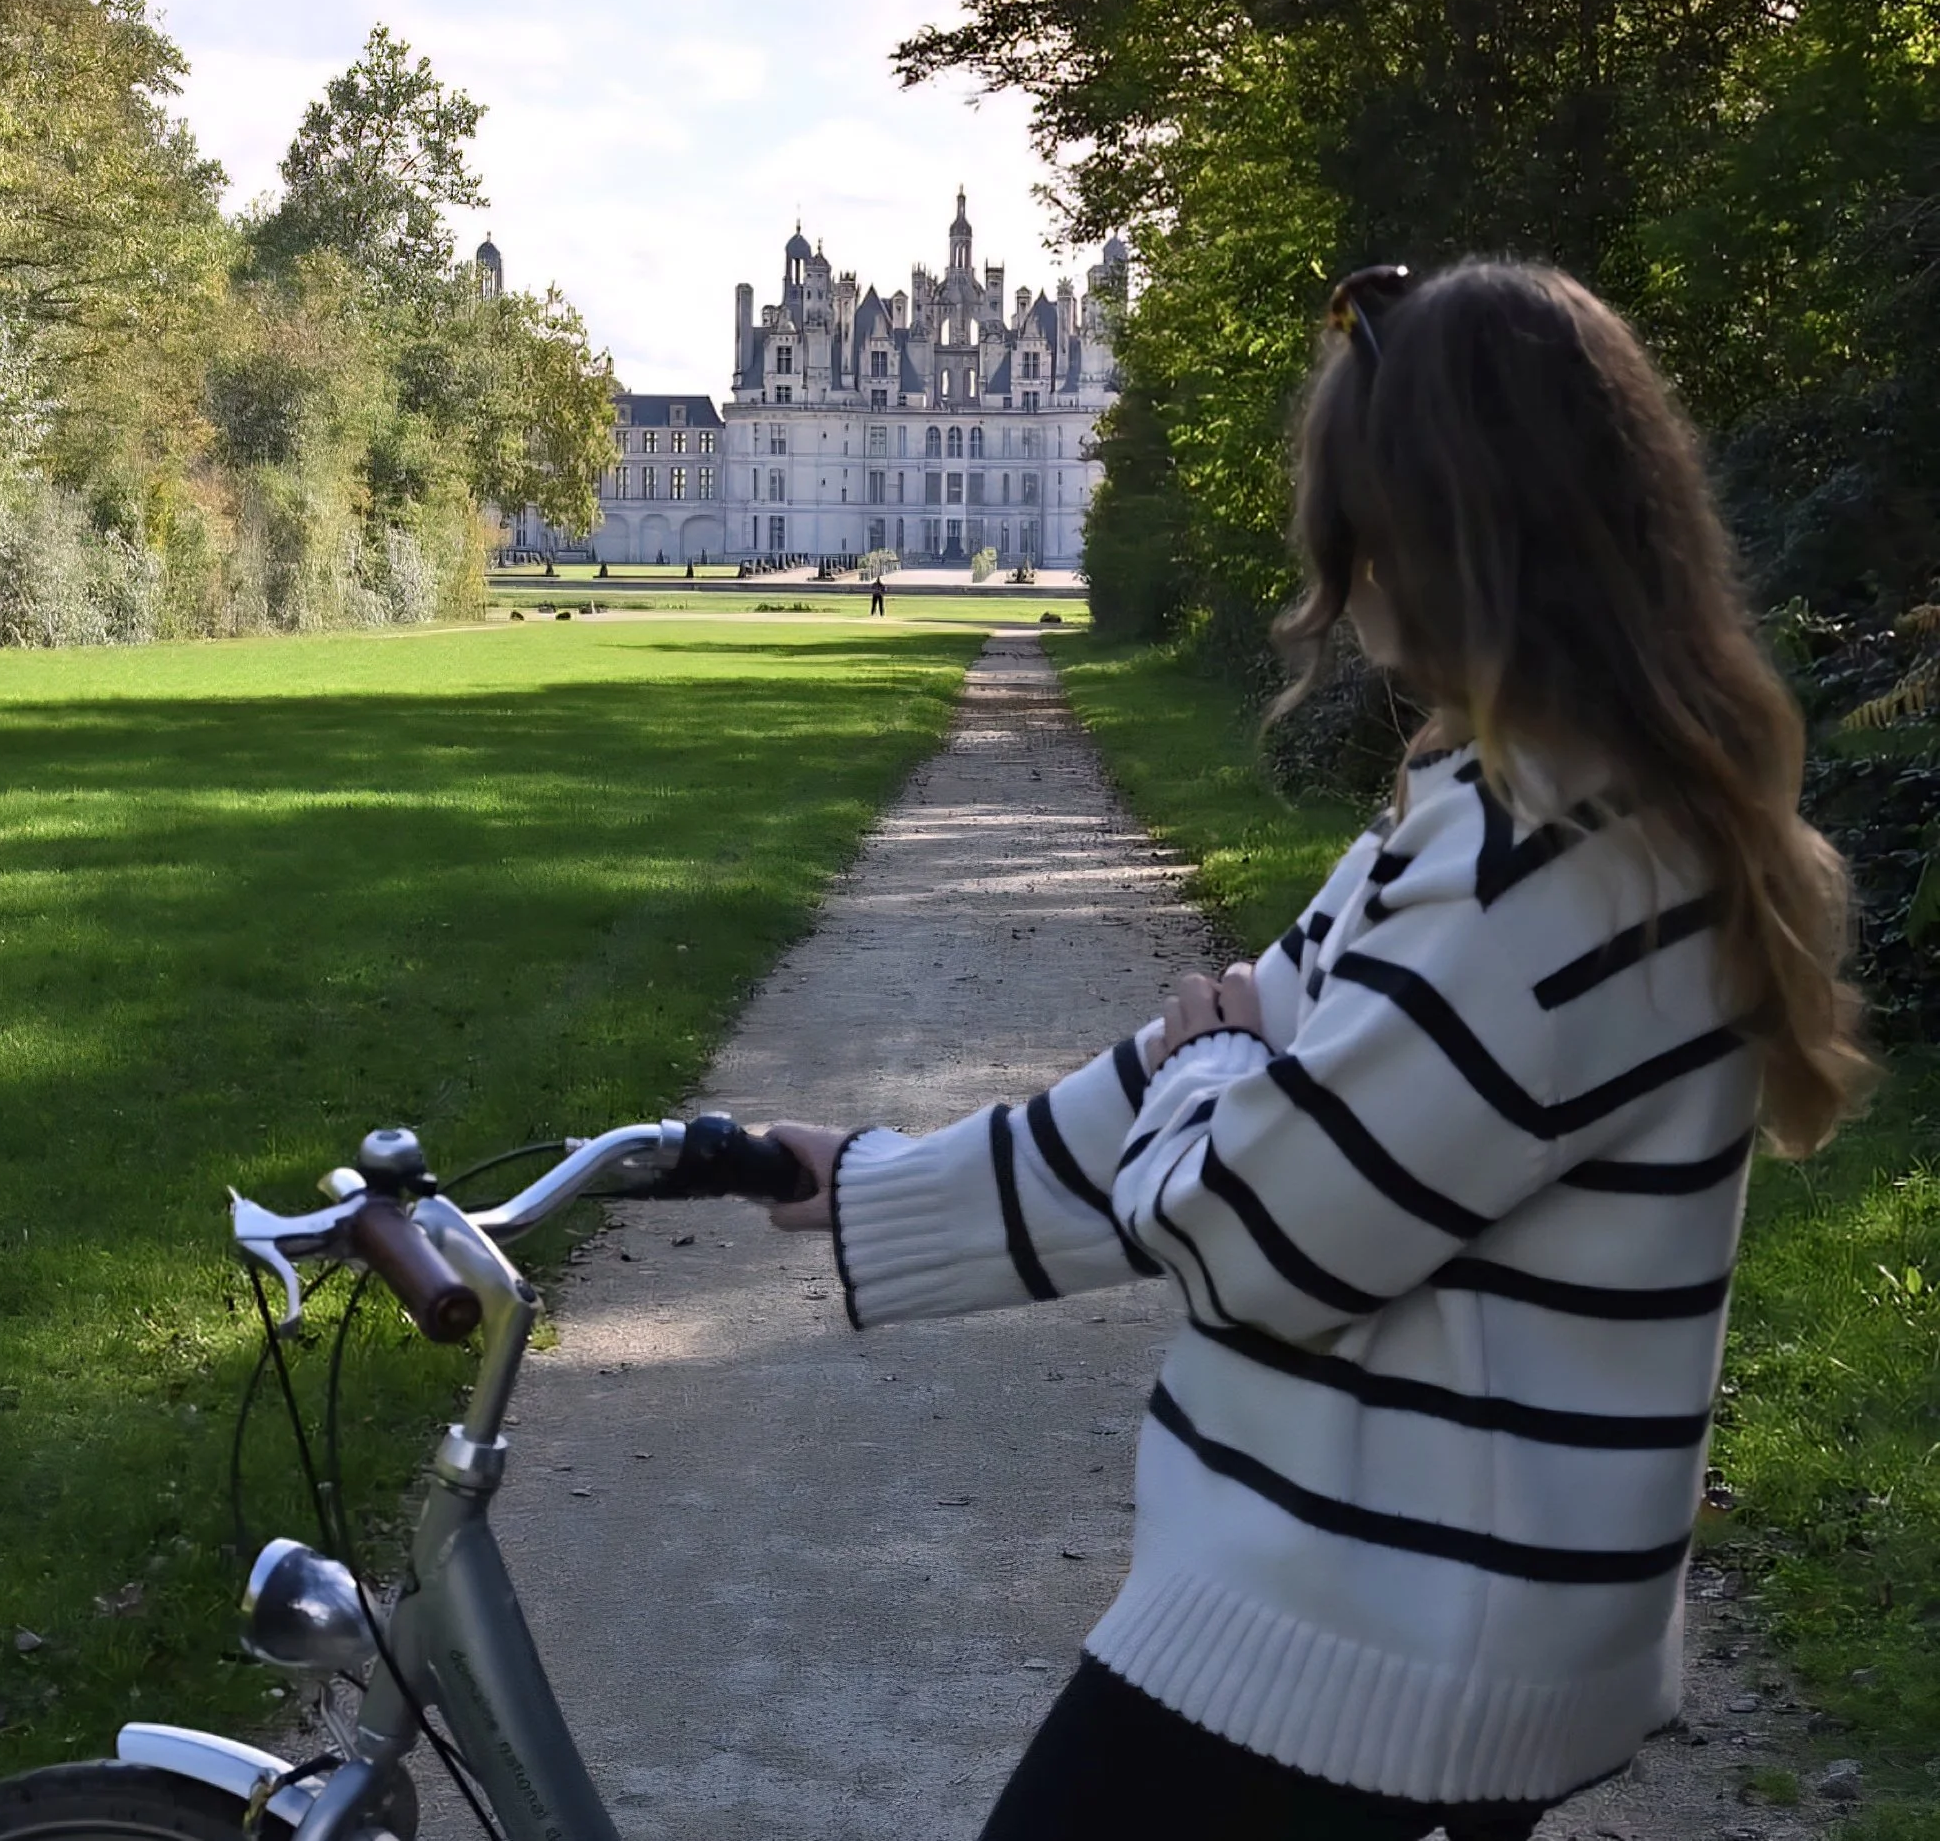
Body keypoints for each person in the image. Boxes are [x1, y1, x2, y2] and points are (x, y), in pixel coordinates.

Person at [765, 259, 1870, 1841]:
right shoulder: (1528, 812)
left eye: (1351, 532)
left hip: (1374, 1612)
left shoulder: (1543, 875)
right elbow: (1251, 1068)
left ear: (1437, 540)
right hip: (1435, 1590)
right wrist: (883, 1188)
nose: (1337, 587)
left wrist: (1221, 1070)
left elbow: (1256, 1229)